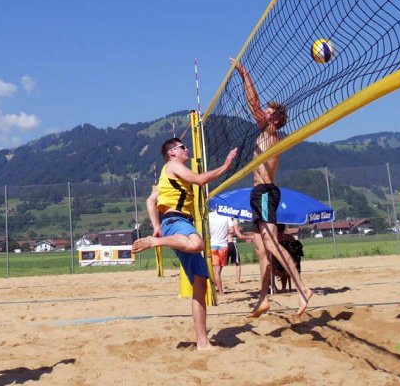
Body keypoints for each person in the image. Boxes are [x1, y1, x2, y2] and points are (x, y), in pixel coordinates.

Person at [132, 137, 237, 350]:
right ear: (172, 152)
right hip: (176, 221)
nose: (186, 149)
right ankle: (156, 242)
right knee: (197, 243)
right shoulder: (173, 165)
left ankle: (202, 342)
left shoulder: (166, 175)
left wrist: (155, 225)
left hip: (174, 223)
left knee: (200, 283)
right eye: (182, 147)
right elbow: (199, 180)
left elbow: (150, 200)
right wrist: (226, 166)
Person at [231, 58, 314, 318]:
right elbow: (256, 106)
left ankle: (302, 289)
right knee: (260, 250)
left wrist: (245, 73)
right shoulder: (266, 133)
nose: (264, 113)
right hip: (258, 195)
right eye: (266, 111)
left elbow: (252, 103)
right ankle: (263, 298)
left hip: (266, 193)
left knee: (272, 244)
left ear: (277, 118)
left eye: (269, 112)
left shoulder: (270, 132)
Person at [207, 210, 231, 295]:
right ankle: (219, 289)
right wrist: (225, 232)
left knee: (216, 271)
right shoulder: (226, 215)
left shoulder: (209, 216)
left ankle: (219, 289)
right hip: (223, 245)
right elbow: (231, 230)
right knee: (218, 271)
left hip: (213, 244)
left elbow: (206, 230)